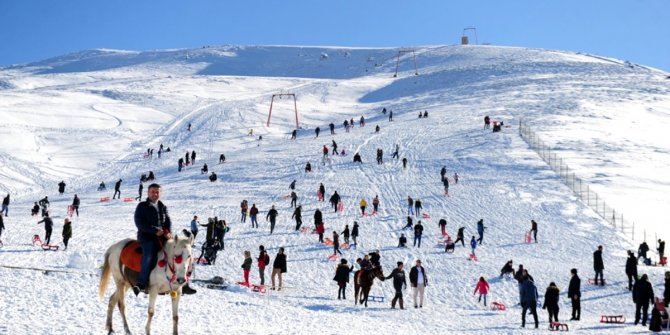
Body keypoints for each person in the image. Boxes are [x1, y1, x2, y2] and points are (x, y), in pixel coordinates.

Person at [132, 183, 173, 296]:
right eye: (152, 192)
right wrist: (154, 231)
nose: (155, 194)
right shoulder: (142, 206)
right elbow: (139, 223)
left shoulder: (163, 206)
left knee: (176, 251)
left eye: (157, 192)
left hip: (162, 236)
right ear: (148, 193)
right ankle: (141, 282)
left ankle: (180, 282)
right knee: (149, 254)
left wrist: (168, 232)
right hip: (146, 237)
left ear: (160, 193)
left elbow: (168, 222)